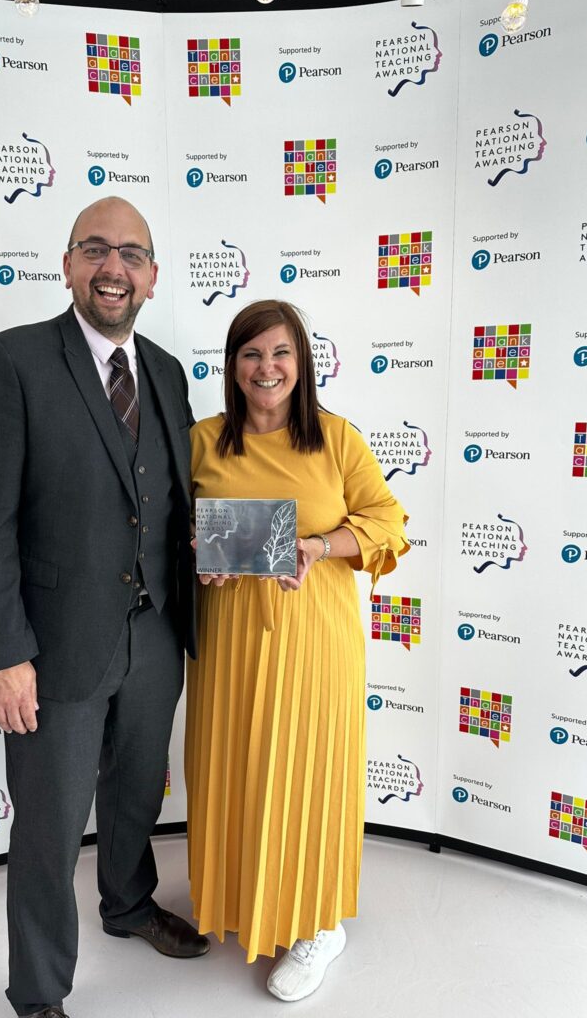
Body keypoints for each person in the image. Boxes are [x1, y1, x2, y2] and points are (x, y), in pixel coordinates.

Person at [0, 196, 208, 1018]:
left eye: (131, 254)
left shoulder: (166, 371)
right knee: (49, 829)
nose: (113, 268)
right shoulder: (13, 361)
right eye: (95, 250)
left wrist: (255, 552)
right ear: (66, 265)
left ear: (153, 277)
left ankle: (128, 906)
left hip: (156, 635)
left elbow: (174, 502)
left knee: (136, 792)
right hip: (53, 649)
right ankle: (38, 992)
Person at [185, 300, 409, 1002]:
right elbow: (172, 531)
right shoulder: (202, 440)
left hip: (315, 641)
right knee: (237, 765)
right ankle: (242, 901)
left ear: (302, 362)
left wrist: (317, 545)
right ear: (232, 367)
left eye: (280, 353)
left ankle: (318, 924)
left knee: (308, 773)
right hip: (228, 644)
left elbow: (387, 523)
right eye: (251, 354)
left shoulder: (336, 439)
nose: (266, 368)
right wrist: (198, 555)